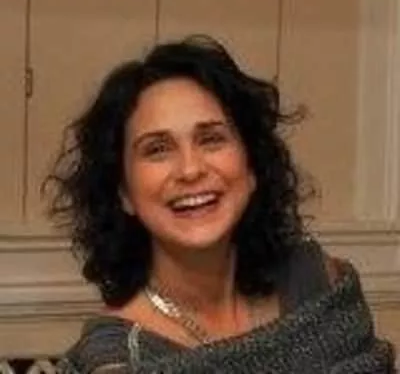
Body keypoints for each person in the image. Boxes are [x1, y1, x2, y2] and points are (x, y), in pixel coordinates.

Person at [44, 35, 395, 373]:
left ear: (252, 166)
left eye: (211, 139)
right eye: (157, 149)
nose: (191, 169)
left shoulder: (317, 284)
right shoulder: (118, 359)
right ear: (123, 192)